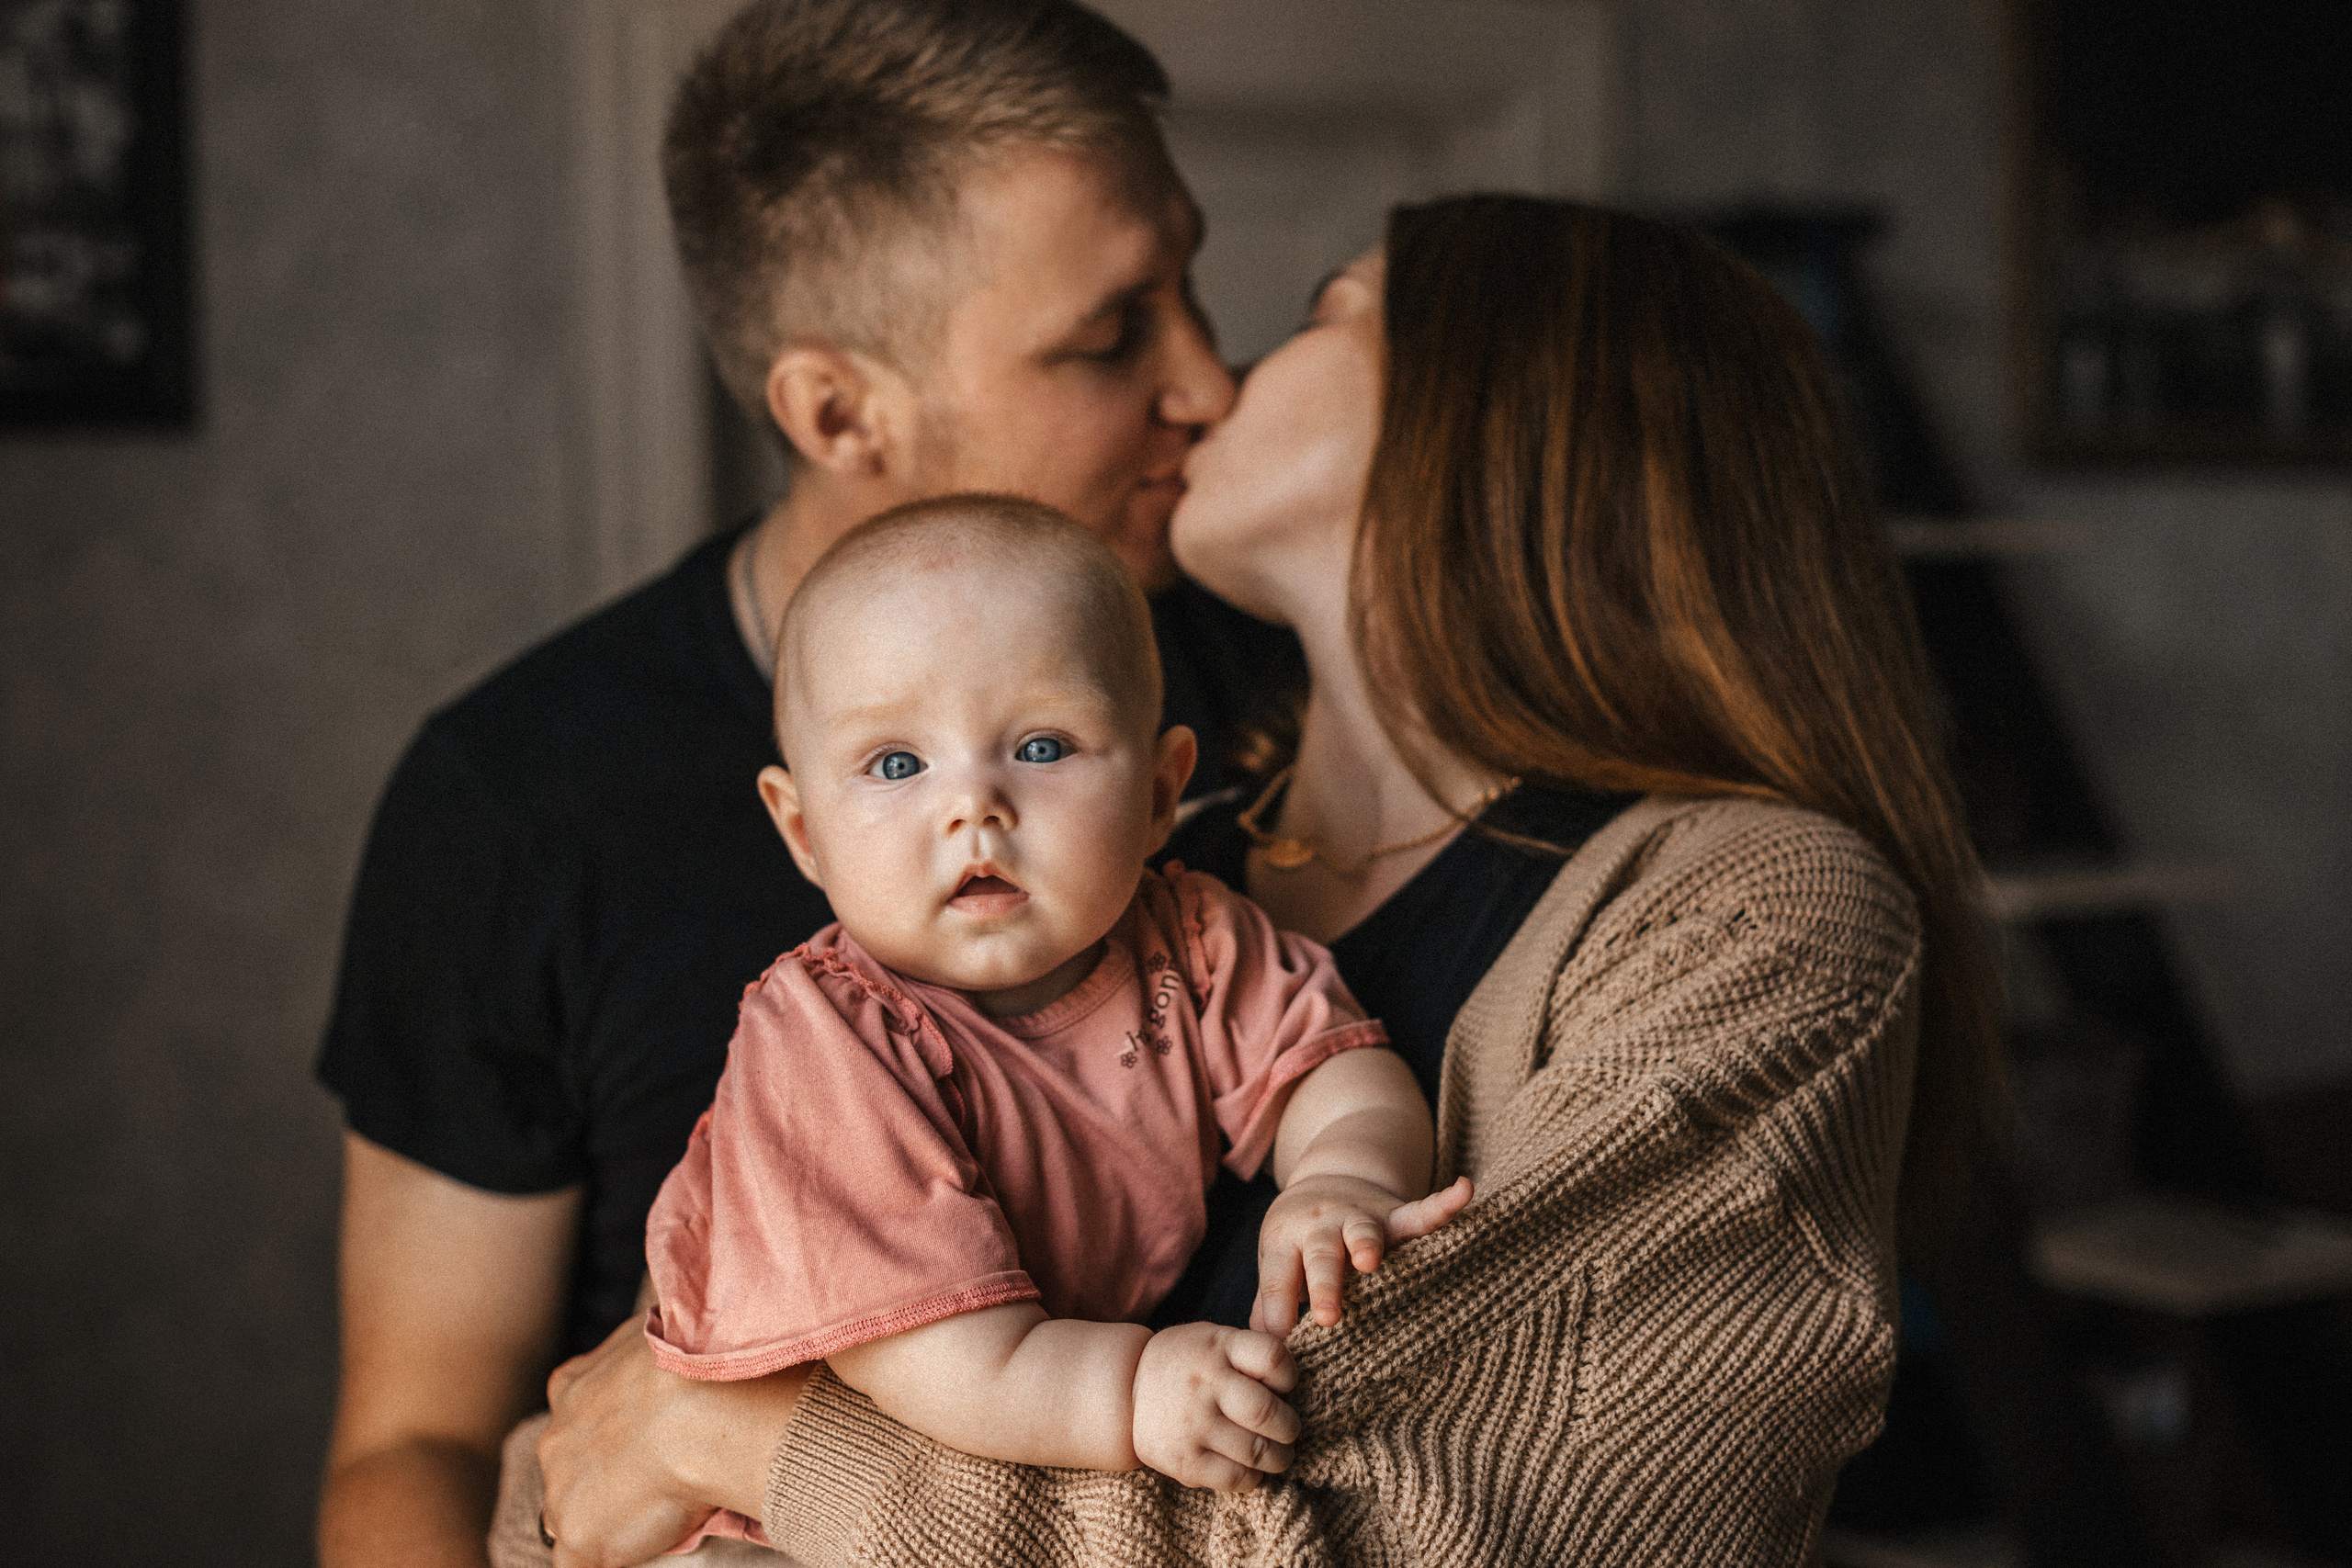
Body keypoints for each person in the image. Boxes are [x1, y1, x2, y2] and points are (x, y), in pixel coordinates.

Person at [535, 196, 2003, 1567]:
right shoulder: (1139, 874)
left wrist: (736, 1437)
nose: (1209, 379)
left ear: (1510, 427)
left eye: (1325, 311)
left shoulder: (1756, 910)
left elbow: (1430, 1534)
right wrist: (599, 1458)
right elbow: (581, 1457)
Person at [313, 5, 1297, 1564]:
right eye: (1111, 334)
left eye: (1192, 285)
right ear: (839, 412)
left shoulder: (1268, 679)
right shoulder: (515, 801)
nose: (1209, 384)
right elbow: (415, 1441)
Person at [606, 496, 1467, 1557]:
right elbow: (943, 1360)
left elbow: (1334, 1067)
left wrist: (1344, 1178)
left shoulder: (1188, 942)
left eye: (1043, 746)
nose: (975, 807)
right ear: (803, 831)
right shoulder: (825, 1037)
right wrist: (1132, 1392)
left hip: (986, 1465)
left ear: (1160, 794)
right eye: (894, 765)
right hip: (763, 1493)